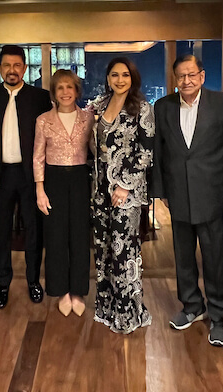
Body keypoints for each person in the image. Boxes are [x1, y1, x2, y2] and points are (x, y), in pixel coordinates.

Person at [152, 55, 223, 346]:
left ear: (201, 76)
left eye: (191, 75)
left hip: (211, 192)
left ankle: (219, 314)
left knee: (214, 257)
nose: (186, 81)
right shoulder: (163, 107)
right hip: (177, 192)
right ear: (175, 80)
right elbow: (158, 151)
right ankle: (191, 306)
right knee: (183, 256)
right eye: (180, 76)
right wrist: (160, 191)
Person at [0, 45, 52, 309]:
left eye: (17, 65)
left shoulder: (40, 97)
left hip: (31, 175)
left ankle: (33, 280)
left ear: (24, 68)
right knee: (0, 231)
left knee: (34, 229)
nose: (12, 70)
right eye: (7, 65)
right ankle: (3, 282)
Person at [90, 57, 154, 333]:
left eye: (125, 75)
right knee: (103, 250)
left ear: (133, 78)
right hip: (99, 189)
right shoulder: (99, 105)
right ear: (107, 78)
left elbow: (146, 154)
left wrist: (125, 185)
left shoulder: (142, 108)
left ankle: (128, 312)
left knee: (123, 250)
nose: (119, 80)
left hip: (126, 192)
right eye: (114, 75)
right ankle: (106, 307)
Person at [33, 69, 94, 316]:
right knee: (56, 237)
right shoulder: (43, 120)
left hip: (80, 178)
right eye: (60, 88)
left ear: (77, 91)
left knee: (80, 237)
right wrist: (40, 189)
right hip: (53, 180)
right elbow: (38, 156)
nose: (66, 92)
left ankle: (78, 290)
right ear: (54, 93)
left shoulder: (88, 118)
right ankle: (61, 290)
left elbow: (95, 149)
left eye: (70, 87)